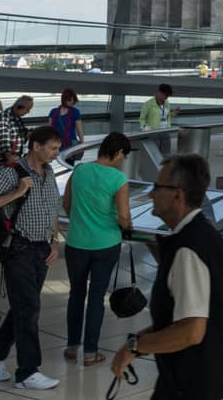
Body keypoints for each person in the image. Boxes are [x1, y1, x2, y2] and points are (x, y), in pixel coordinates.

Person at [111, 154, 223, 400]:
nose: (150, 194)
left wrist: (134, 346)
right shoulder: (204, 236)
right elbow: (181, 316)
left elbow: (191, 331)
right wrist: (137, 343)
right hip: (200, 382)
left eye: (157, 187)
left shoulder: (188, 250)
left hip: (191, 385)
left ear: (177, 195)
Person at [0, 125, 65, 390]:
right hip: (18, 250)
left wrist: (54, 242)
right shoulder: (11, 174)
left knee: (22, 309)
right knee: (29, 310)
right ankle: (27, 372)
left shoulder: (48, 173)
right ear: (36, 146)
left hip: (42, 250)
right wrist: (15, 193)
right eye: (53, 148)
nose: (56, 153)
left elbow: (52, 212)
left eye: (58, 148)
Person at [62, 131, 132, 366]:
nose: (122, 160)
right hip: (106, 244)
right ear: (119, 152)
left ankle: (72, 347)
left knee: (76, 294)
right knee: (95, 298)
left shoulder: (79, 170)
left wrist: (81, 219)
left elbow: (67, 204)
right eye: (124, 156)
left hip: (76, 243)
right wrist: (127, 227)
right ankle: (90, 352)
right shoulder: (118, 179)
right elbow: (123, 217)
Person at [0, 95, 33, 169]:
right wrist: (9, 156)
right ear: (20, 107)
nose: (28, 112)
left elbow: (22, 136)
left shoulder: (17, 118)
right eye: (28, 109)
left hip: (15, 158)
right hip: (6, 162)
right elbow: (3, 139)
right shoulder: (5, 117)